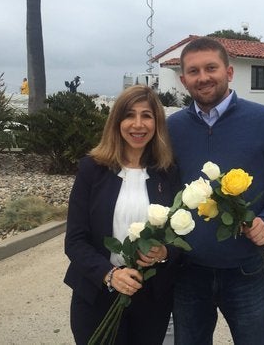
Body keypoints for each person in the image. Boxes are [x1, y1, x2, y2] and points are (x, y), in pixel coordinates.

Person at [167, 37, 264, 345]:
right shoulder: (173, 128)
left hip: (244, 267)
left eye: (211, 68)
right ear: (183, 79)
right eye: (194, 71)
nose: (203, 77)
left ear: (229, 72)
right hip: (188, 270)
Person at [64, 85, 181, 345]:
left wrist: (164, 253)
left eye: (147, 116)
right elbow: (75, 240)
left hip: (150, 299)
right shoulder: (91, 170)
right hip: (97, 294)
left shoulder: (168, 173)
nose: (138, 124)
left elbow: (182, 238)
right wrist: (110, 274)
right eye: (129, 115)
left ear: (157, 123)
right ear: (117, 121)